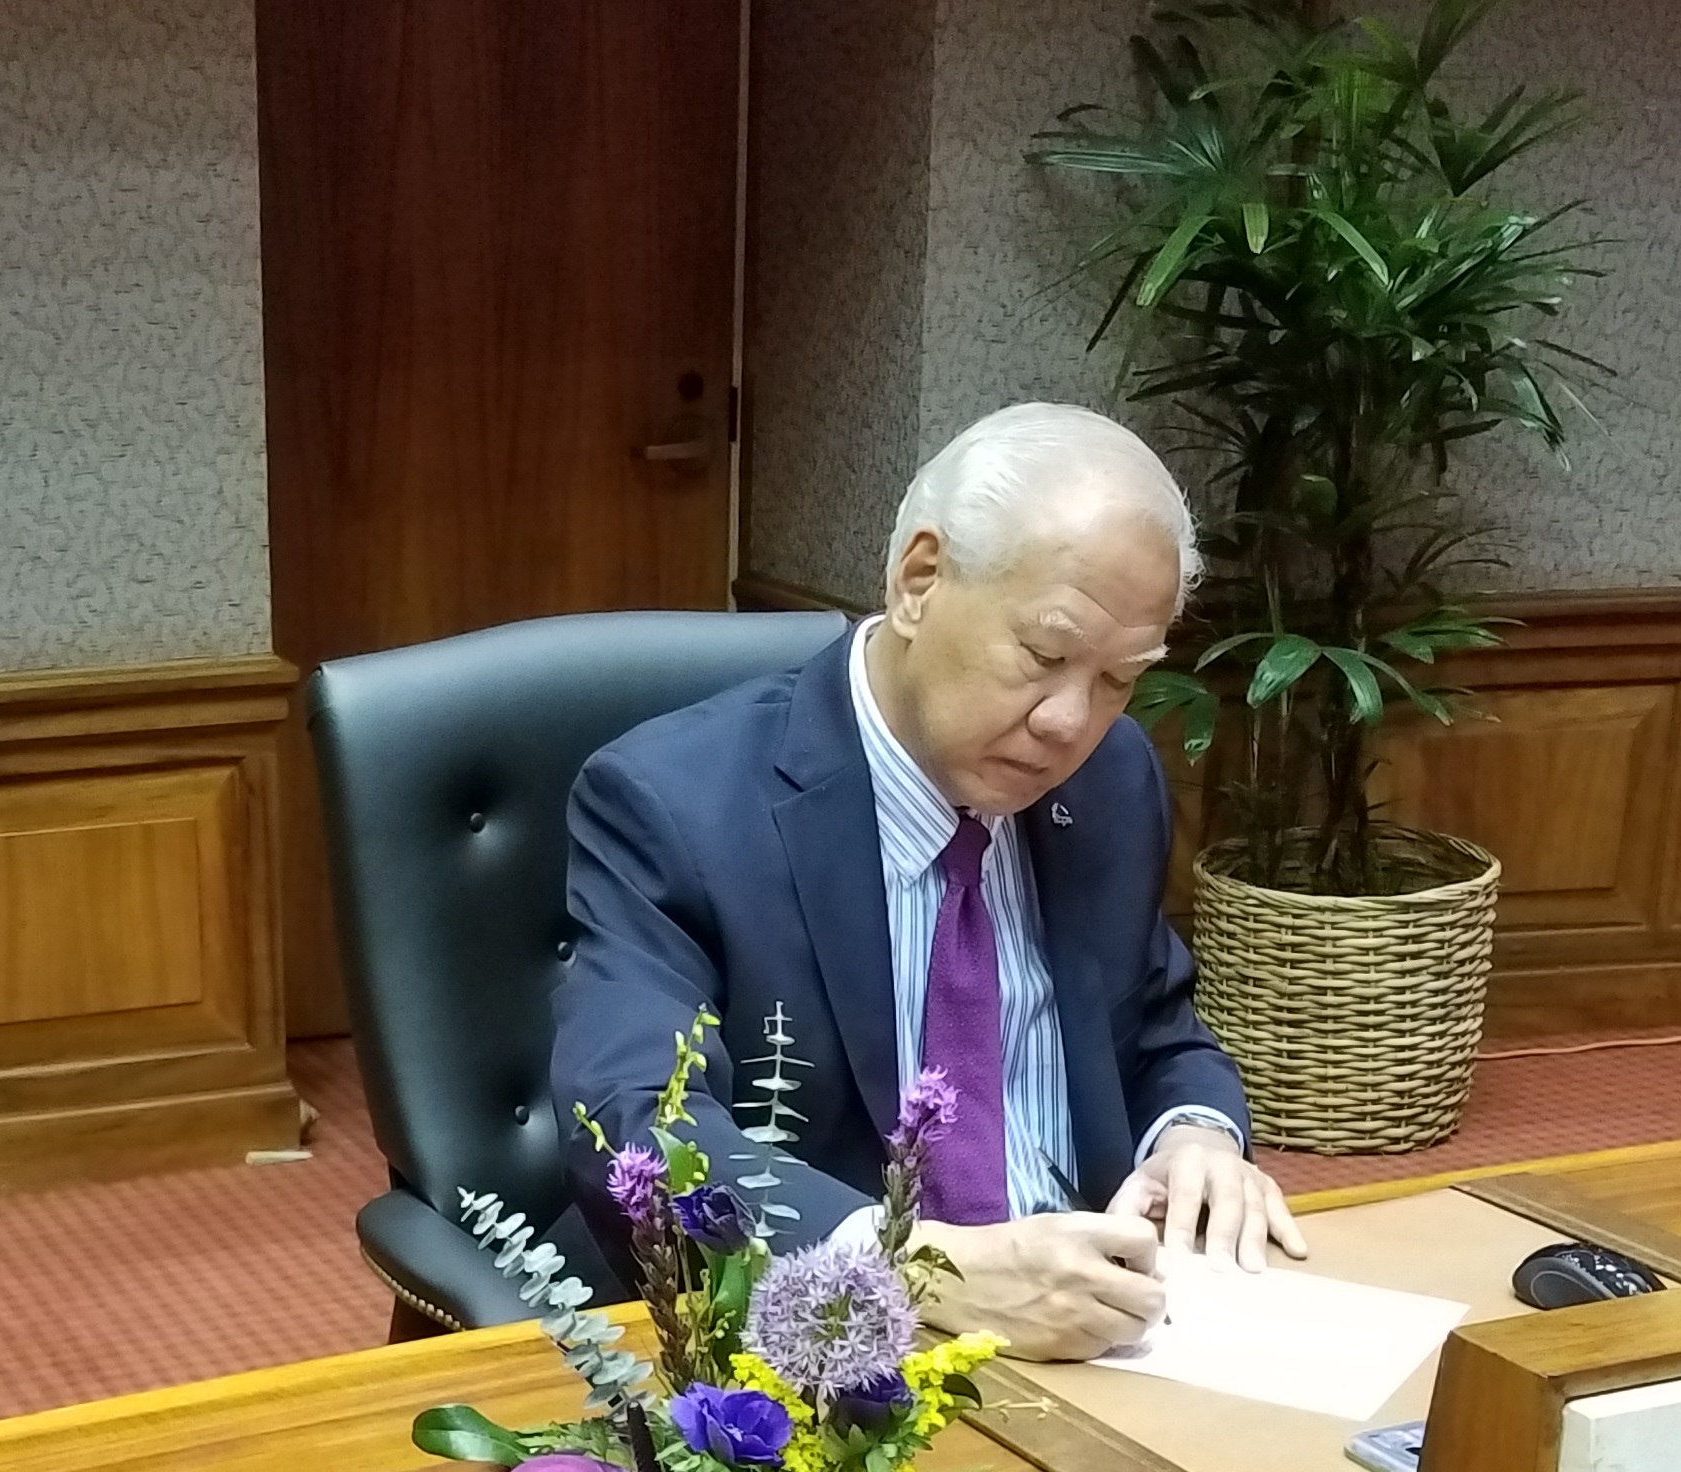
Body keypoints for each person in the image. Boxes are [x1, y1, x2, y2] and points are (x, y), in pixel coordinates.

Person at [554, 402, 1304, 1360]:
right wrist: (919, 1268)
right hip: (823, 1365)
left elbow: (1155, 1025)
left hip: (1102, 1331)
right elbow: (638, 1125)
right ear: (919, 581)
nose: (1070, 721)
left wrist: (1194, 1136)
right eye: (1043, 655)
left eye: (1120, 679)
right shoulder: (674, 802)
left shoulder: (1111, 781)